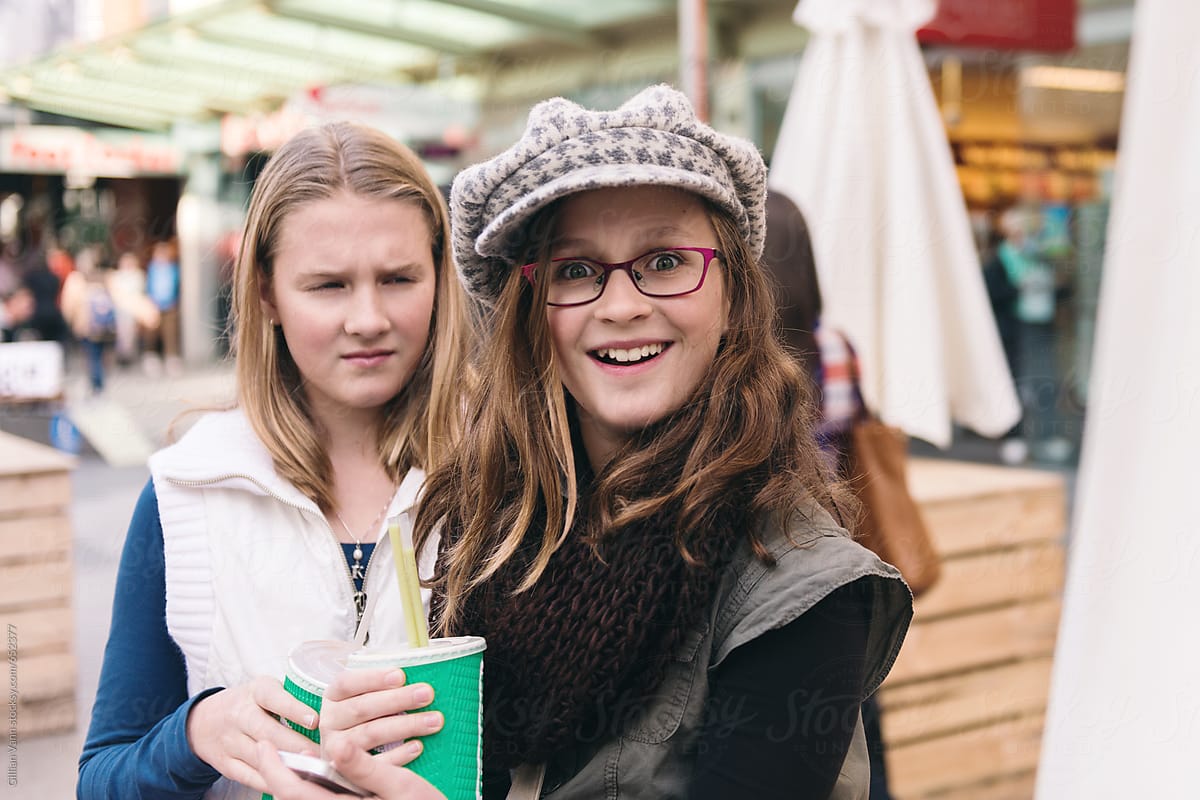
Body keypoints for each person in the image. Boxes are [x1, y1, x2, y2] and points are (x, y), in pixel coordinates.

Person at [272, 86, 911, 800]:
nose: (622, 305)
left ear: (731, 293)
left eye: (665, 261)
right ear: (529, 313)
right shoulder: (488, 532)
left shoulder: (801, 588)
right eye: (575, 270)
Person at [77, 122, 474, 800]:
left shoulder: (508, 476)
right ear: (266, 294)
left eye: (399, 277)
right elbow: (101, 780)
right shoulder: (188, 492)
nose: (369, 317)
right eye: (328, 285)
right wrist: (197, 733)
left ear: (441, 277)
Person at [760, 189, 895, 800]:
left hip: (767, 552)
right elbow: (849, 431)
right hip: (837, 544)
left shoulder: (745, 362)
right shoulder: (835, 348)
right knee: (859, 712)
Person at [61, 247, 117, 394]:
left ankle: (96, 384)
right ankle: (100, 383)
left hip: (86, 326)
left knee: (92, 355)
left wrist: (69, 321)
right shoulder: (106, 277)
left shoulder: (76, 279)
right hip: (105, 326)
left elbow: (69, 303)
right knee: (102, 354)